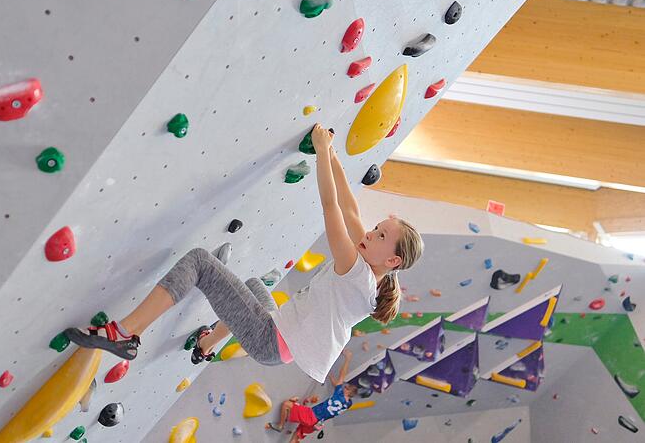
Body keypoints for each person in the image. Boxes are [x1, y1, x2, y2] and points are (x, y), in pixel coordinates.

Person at [65, 124, 424, 382]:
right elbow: (351, 211)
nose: (371, 233)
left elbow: (331, 208)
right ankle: (206, 344)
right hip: (279, 339)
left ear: (391, 260)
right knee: (253, 284)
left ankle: (127, 333)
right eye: (378, 230)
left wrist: (319, 152)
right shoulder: (370, 268)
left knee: (200, 262)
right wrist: (331, 154)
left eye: (380, 236)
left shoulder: (356, 273)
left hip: (269, 337)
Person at [266, 349, 356, 442]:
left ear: (348, 392)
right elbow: (337, 385)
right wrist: (331, 377)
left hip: (311, 415)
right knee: (296, 435)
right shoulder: (348, 404)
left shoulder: (339, 395)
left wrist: (347, 358)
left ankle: (280, 426)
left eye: (346, 388)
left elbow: (342, 376)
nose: (344, 387)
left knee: (286, 404)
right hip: (317, 423)